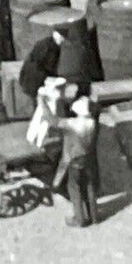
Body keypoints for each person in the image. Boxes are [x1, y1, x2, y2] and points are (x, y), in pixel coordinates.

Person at [54, 97, 99, 228]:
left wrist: (42, 102)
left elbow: (53, 121)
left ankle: (79, 219)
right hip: (88, 159)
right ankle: (94, 217)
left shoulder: (72, 124)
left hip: (75, 160)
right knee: (90, 186)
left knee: (74, 188)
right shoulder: (92, 123)